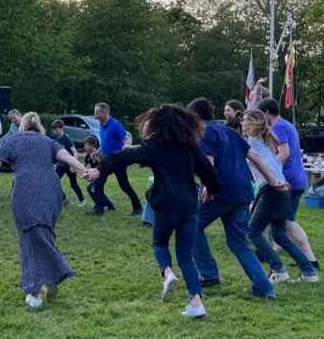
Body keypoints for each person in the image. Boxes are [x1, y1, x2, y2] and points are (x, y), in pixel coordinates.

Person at [86, 104, 223, 318]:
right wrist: (211, 191)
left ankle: (167, 273)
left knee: (159, 243)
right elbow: (210, 173)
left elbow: (123, 156)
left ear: (157, 123)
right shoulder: (190, 146)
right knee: (186, 256)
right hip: (188, 205)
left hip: (165, 204)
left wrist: (99, 168)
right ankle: (196, 302)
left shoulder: (156, 145)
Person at [0, 113, 87, 309]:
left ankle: (34, 289)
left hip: (26, 188)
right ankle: (50, 278)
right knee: (43, 232)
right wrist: (83, 170)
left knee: (29, 236)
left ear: (22, 126)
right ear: (39, 126)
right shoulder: (48, 141)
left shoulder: (13, 140)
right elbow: (65, 156)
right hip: (52, 189)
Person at [186, 97, 286, 299]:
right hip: (243, 193)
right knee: (239, 242)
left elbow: (209, 162)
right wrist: (273, 179)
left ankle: (209, 273)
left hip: (221, 191)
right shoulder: (230, 132)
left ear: (194, 116)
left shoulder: (204, 133)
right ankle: (264, 288)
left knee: (191, 225)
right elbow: (255, 157)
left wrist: (208, 186)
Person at [241, 110, 320, 282]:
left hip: (272, 190)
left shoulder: (254, 143)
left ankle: (278, 269)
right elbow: (275, 162)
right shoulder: (265, 142)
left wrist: (274, 181)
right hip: (281, 190)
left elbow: (268, 164)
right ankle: (309, 272)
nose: (242, 123)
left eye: (245, 120)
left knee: (252, 231)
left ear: (253, 124)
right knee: (279, 235)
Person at [259, 98, 320, 270]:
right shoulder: (287, 124)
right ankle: (266, 252)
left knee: (287, 222)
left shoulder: (278, 127)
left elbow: (284, 153)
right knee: (278, 220)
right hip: (296, 178)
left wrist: (268, 169)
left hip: (288, 179)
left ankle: (310, 259)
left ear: (266, 113)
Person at [87, 103, 142, 216]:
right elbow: (105, 142)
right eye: (95, 113)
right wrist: (97, 152)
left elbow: (127, 138)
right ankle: (100, 207)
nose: (95, 115)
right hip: (106, 161)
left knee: (124, 185)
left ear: (105, 113)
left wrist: (127, 145)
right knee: (96, 185)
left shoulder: (115, 124)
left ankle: (137, 207)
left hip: (118, 160)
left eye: (97, 113)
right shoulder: (101, 125)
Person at [50, 119, 85, 206]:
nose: (55, 132)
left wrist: (73, 165)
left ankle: (82, 201)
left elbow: (75, 152)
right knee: (53, 182)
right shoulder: (53, 138)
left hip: (69, 166)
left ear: (62, 128)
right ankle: (64, 199)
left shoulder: (66, 138)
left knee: (73, 184)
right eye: (53, 130)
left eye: (56, 130)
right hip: (60, 165)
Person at [81, 135, 113, 211]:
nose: (85, 147)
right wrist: (76, 168)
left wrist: (97, 158)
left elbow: (104, 164)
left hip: (102, 175)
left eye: (86, 145)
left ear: (92, 145)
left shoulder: (98, 153)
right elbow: (84, 164)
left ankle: (98, 206)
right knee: (99, 191)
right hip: (94, 176)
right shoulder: (88, 155)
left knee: (91, 189)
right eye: (84, 145)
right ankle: (110, 205)